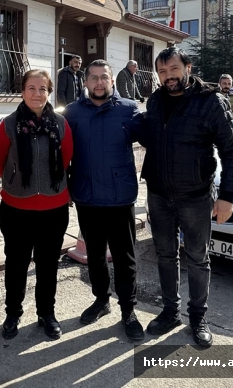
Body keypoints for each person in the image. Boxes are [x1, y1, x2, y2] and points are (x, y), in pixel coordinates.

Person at [142, 47, 233, 348]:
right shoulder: (156, 101)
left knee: (198, 258)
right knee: (164, 254)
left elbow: (232, 150)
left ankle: (198, 317)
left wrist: (227, 196)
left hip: (196, 196)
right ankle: (170, 311)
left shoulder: (211, 101)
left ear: (187, 67)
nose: (168, 76)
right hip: (159, 194)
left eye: (173, 69)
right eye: (162, 72)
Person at [63, 59, 145, 341]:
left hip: (119, 196)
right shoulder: (72, 112)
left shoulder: (129, 109)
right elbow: (61, 153)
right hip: (87, 195)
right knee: (94, 255)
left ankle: (128, 310)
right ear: (85, 82)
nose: (99, 82)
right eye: (94, 77)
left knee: (125, 258)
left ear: (112, 81)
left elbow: (152, 141)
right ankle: (101, 300)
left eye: (104, 78)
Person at [0, 69, 74, 341]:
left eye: (42, 89)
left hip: (54, 208)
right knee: (16, 264)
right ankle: (13, 313)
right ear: (22, 91)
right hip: (17, 208)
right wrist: (19, 180)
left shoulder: (61, 123)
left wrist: (50, 183)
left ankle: (46, 313)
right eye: (31, 88)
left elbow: (66, 159)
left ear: (49, 92)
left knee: (47, 264)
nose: (37, 94)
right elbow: (0, 161)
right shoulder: (8, 124)